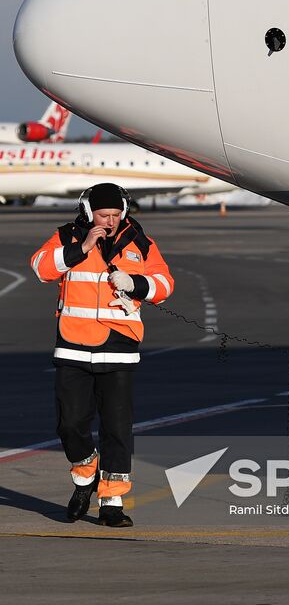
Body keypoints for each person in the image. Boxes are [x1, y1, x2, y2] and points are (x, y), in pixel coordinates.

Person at [30, 182, 174, 527]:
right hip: (73, 343)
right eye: (102, 215)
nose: (108, 221)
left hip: (120, 345)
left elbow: (165, 285)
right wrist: (81, 247)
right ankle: (84, 473)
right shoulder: (66, 236)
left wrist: (136, 285)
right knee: (70, 423)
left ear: (123, 212)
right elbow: (40, 268)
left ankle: (112, 501)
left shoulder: (140, 242)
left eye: (114, 215)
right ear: (88, 212)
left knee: (117, 428)